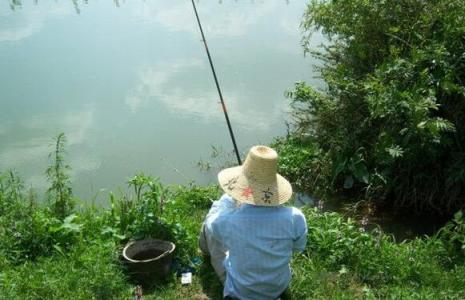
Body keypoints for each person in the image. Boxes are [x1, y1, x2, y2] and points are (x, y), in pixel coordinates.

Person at [199, 145, 308, 300]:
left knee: (209, 223)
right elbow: (298, 248)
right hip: (277, 288)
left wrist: (228, 199)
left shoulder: (226, 221)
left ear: (242, 184)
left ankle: (209, 259)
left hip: (240, 293)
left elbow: (211, 226)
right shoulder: (295, 217)